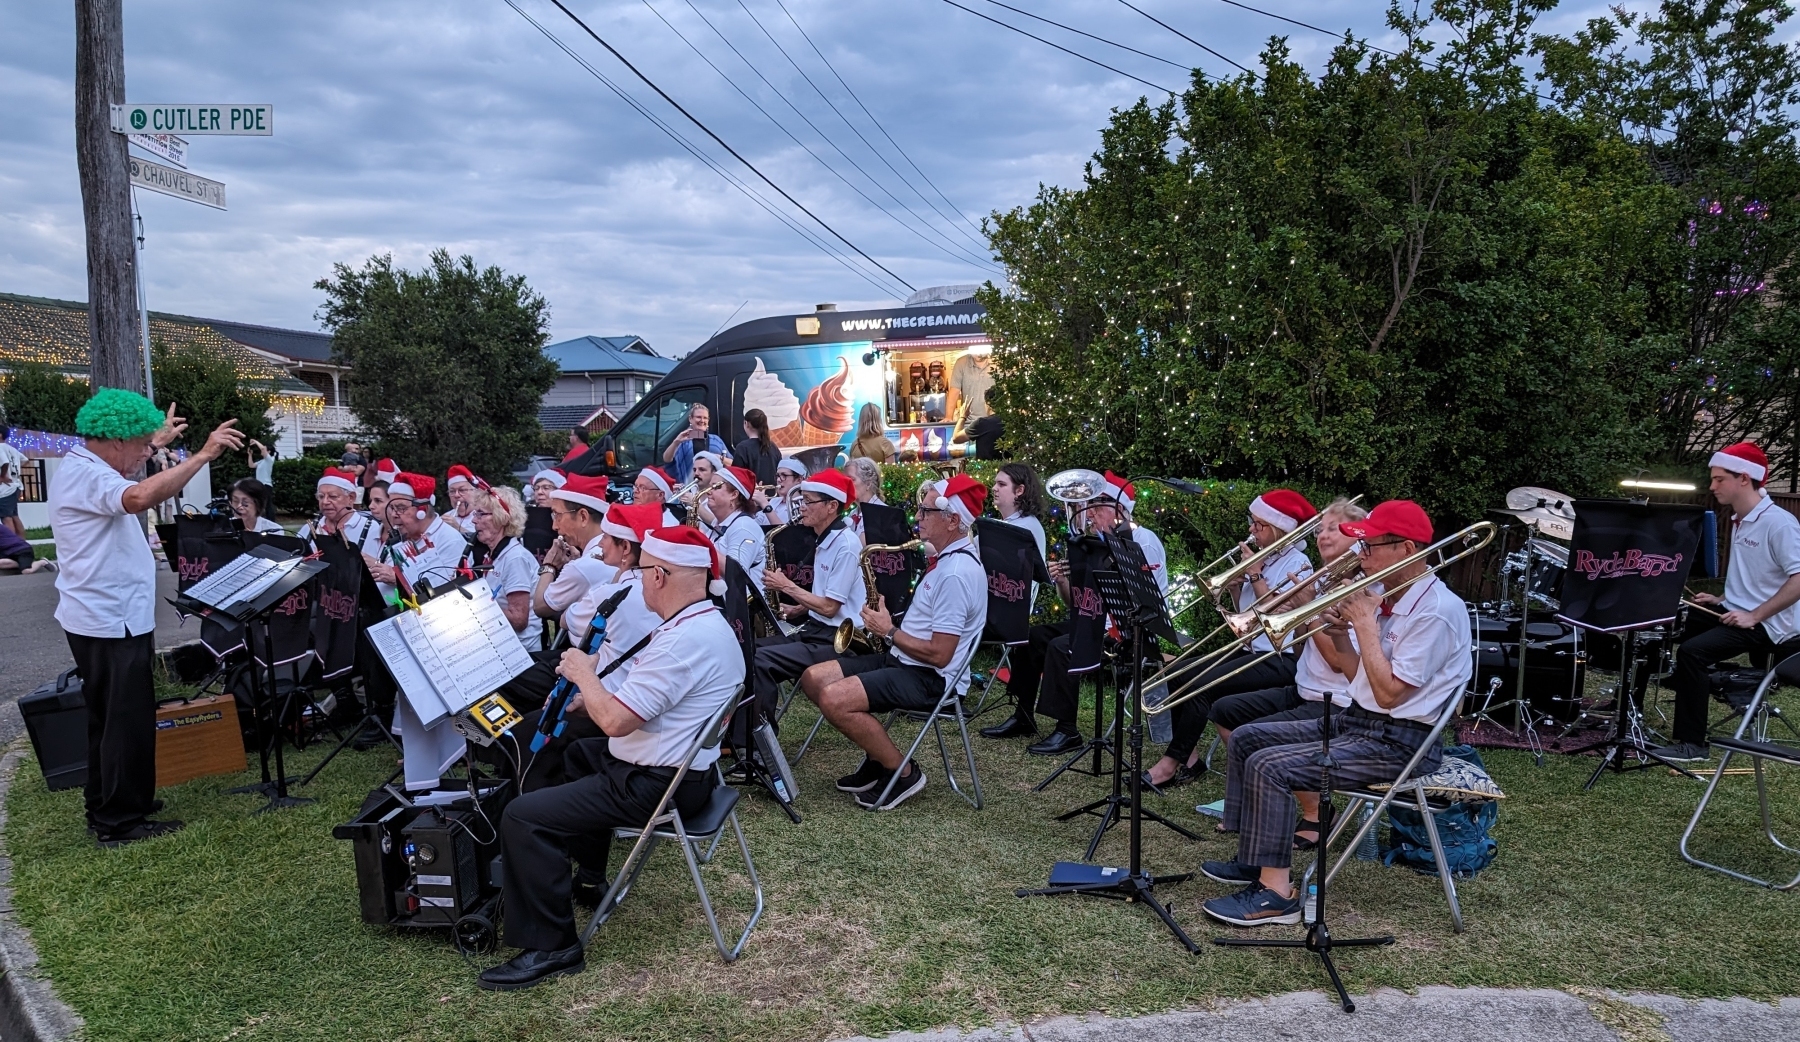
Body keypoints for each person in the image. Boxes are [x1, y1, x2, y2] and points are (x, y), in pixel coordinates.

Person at [480, 526, 744, 992]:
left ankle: (553, 946)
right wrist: (594, 698)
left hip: (655, 784)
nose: (638, 583)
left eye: (642, 572)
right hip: (687, 773)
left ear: (658, 575)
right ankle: (588, 878)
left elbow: (618, 723)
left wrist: (585, 675)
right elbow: (651, 702)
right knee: (578, 754)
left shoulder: (682, 641)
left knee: (524, 816)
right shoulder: (707, 623)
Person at [1200, 499, 1469, 927]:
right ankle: (1258, 860)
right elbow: (1355, 674)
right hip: (1360, 722)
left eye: (1369, 547)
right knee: (1248, 737)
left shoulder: (1436, 611)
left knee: (1270, 765)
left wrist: (1363, 625)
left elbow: (1389, 695)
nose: (1361, 556)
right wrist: (1342, 635)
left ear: (1405, 549)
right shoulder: (1388, 596)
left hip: (1400, 741)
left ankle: (1276, 896)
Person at [49, 389, 243, 846]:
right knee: (125, 718)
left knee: (110, 715)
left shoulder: (88, 465)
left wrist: (155, 443)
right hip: (108, 616)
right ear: (117, 439)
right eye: (140, 445)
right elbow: (137, 497)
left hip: (105, 614)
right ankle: (120, 819)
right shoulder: (89, 475)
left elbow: (131, 474)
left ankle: (111, 800)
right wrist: (202, 455)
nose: (145, 455)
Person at [800, 475, 989, 809]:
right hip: (904, 661)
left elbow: (941, 655)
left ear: (953, 520)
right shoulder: (947, 561)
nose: (917, 517)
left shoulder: (955, 574)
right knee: (813, 678)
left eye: (926, 511)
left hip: (931, 678)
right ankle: (879, 758)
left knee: (833, 699)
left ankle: (902, 773)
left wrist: (888, 631)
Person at [1203, 498, 1365, 840]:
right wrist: (1296, 618)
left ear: (1358, 538)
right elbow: (1299, 648)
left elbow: (1338, 663)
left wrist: (1307, 609)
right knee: (1224, 710)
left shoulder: (1360, 590)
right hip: (1304, 688)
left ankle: (1316, 812)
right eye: (1320, 529)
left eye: (1333, 530)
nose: (1322, 536)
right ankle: (1246, 807)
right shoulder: (1324, 580)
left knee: (1253, 736)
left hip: (1335, 701)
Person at [1145, 489, 1318, 788]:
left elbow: (1277, 618)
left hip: (1280, 657)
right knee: (1177, 671)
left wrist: (1255, 575)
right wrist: (1236, 588)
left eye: (1260, 524)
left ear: (1279, 529)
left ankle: (1169, 765)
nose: (1252, 529)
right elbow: (1247, 618)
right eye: (1252, 521)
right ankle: (1190, 758)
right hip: (1251, 649)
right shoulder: (1262, 557)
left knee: (1199, 686)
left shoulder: (1298, 563)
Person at [982, 472, 1166, 750]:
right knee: (1033, 637)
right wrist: (1063, 581)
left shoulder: (1142, 540)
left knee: (1061, 647)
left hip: (1128, 631)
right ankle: (1023, 715)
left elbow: (1139, 599)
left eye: (1096, 507)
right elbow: (1077, 606)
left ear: (1118, 509)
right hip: (1097, 622)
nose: (1089, 514)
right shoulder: (1097, 542)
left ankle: (1067, 730)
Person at [1656, 441, 1800, 761]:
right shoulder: (1741, 518)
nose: (1713, 486)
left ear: (1744, 478)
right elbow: (1759, 576)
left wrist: (1755, 615)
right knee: (1659, 624)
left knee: (1693, 653)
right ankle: (1630, 714)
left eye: (1719, 479)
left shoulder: (1779, 523)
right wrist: (1721, 597)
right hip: (1737, 609)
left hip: (1769, 624)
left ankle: (1693, 745)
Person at [751, 469, 865, 725]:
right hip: (818, 629)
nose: (801, 507)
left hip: (840, 641)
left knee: (760, 660)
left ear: (831, 506)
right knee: (749, 648)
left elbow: (830, 607)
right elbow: (830, 595)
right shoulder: (825, 538)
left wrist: (787, 586)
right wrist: (798, 610)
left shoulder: (845, 545)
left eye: (808, 502)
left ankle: (761, 739)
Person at [465, 483, 542, 653]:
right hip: (499, 643)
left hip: (520, 651)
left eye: (481, 514)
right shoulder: (494, 554)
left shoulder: (515, 558)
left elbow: (519, 620)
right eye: (475, 514)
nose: (474, 520)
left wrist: (474, 605)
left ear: (502, 518)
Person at [362, 472, 464, 600]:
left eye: (401, 508)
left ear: (423, 510)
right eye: (392, 508)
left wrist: (399, 579)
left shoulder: (450, 540)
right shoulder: (402, 536)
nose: (393, 514)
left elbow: (447, 593)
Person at [296, 467, 385, 558]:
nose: (325, 502)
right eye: (321, 496)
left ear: (351, 497)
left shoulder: (371, 529)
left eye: (333, 496)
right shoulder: (308, 528)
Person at [707, 465, 767, 575]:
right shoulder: (717, 522)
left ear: (734, 494)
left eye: (716, 487)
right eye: (710, 486)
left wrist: (703, 544)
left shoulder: (744, 527)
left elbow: (735, 574)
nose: (708, 492)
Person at [660, 402, 729, 483]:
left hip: (713, 487)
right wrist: (676, 442)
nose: (702, 420)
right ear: (690, 419)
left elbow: (732, 463)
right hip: (688, 486)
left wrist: (720, 458)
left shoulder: (716, 440)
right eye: (698, 417)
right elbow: (667, 459)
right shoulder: (683, 440)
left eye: (705, 418)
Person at [992, 462, 1047, 562]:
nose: (994, 488)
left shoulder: (1024, 527)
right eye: (995, 483)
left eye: (1001, 484)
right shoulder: (1015, 522)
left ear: (1019, 490)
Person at [732, 408, 782, 486]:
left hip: (751, 493)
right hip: (773, 492)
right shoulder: (773, 447)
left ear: (746, 423)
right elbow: (780, 472)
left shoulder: (742, 448)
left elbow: (736, 477)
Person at [754, 457, 807, 527]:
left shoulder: (802, 505)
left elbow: (786, 532)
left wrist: (765, 505)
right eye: (777, 476)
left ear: (799, 480)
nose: (778, 480)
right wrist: (752, 505)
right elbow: (756, 524)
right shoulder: (774, 501)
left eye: (784, 475)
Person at [947, 348, 994, 423]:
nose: (978, 354)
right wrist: (948, 417)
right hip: (968, 421)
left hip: (994, 420)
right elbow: (954, 391)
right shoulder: (961, 363)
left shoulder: (998, 362)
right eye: (975, 351)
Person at [845, 456, 885, 541]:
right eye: (845, 480)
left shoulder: (880, 513)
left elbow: (861, 546)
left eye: (851, 480)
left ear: (868, 484)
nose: (846, 484)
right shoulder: (852, 513)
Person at [0, 422, 27, 537]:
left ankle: (11, 544)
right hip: (16, 485)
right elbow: (25, 460)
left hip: (6, 489)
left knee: (6, 518)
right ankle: (21, 543)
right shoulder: (11, 449)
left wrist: (3, 476)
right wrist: (15, 472)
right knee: (14, 516)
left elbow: (5, 462)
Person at [443, 464, 478, 533]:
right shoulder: (445, 518)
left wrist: (458, 528)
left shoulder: (484, 517)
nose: (456, 495)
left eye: (462, 490)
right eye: (452, 491)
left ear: (474, 492)